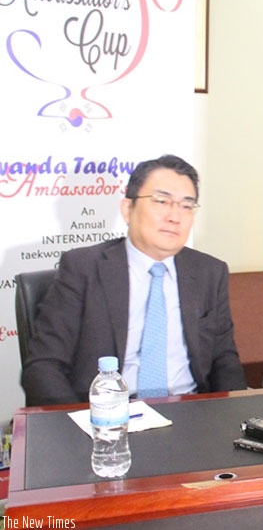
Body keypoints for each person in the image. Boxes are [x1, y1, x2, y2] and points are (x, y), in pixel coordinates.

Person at [21, 155, 247, 406]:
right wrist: (82, 421)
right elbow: (43, 366)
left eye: (186, 206)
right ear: (128, 209)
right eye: (161, 201)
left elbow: (224, 359)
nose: (175, 216)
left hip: (190, 410)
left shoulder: (209, 272)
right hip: (107, 414)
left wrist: (235, 414)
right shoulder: (83, 268)